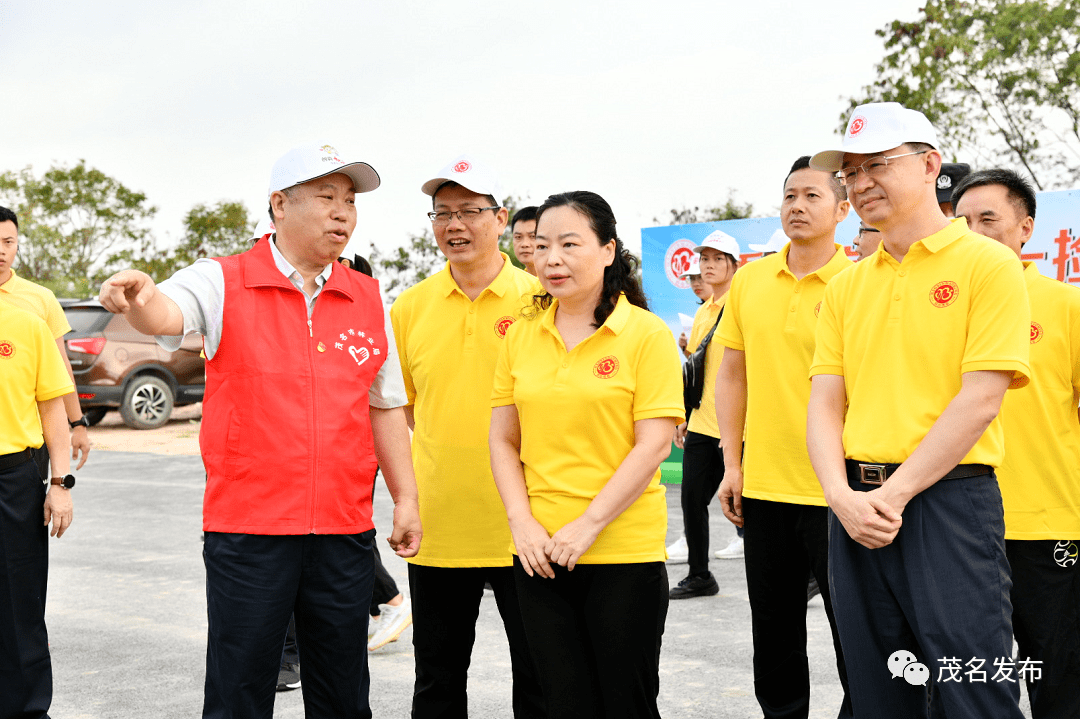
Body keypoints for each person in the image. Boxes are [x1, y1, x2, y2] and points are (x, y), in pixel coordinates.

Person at [98, 142, 422, 719]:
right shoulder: (223, 281)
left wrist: (406, 499)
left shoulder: (367, 297)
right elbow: (166, 314)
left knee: (343, 691)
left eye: (349, 201)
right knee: (240, 689)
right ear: (279, 204)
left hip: (343, 531)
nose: (342, 212)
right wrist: (139, 299)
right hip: (249, 531)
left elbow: (385, 407)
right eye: (326, 197)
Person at [806, 102, 1029, 719]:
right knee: (878, 693)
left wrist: (894, 496)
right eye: (850, 173)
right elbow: (825, 400)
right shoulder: (847, 286)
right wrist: (840, 495)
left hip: (948, 507)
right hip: (856, 508)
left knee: (973, 690)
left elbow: (981, 399)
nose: (861, 183)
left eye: (877, 164)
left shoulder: (988, 265)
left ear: (931, 165)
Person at [489, 190, 683, 719]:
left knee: (626, 702)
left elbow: (654, 444)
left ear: (606, 251)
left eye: (570, 244)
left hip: (622, 550)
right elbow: (503, 439)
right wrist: (522, 524)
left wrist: (590, 523)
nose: (552, 259)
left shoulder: (645, 335)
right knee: (560, 702)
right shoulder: (521, 334)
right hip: (539, 552)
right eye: (542, 245)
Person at [390, 154, 544, 718]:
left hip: (527, 521)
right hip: (441, 521)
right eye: (442, 213)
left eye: (470, 212)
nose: (455, 225)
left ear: (501, 219)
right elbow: (404, 407)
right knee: (437, 676)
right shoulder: (410, 307)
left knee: (539, 674)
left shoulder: (541, 301)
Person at [714, 155, 854, 719]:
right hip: (766, 486)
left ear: (843, 210)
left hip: (840, 491)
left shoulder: (859, 279)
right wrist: (733, 463)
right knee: (773, 630)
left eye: (812, 196)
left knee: (856, 630)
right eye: (789, 196)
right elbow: (731, 376)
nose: (797, 206)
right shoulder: (751, 279)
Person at [953, 168, 1080, 719]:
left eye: (989, 219)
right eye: (961, 221)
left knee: (1057, 678)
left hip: (1048, 525)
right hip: (958, 524)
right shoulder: (943, 308)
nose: (974, 232)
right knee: (967, 677)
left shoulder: (1065, 307)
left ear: (1026, 228)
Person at [0, 299, 75, 719]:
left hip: (13, 478)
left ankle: (27, 710)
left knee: (19, 605)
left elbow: (52, 407)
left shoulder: (26, 324)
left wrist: (61, 483)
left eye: (8, 241)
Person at [669, 230, 742, 599]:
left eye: (717, 259)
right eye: (704, 259)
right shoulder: (702, 311)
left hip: (739, 427)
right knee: (691, 501)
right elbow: (698, 368)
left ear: (735, 264)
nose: (708, 266)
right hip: (702, 423)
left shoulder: (743, 304)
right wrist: (683, 414)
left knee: (750, 507)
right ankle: (699, 574)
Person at [0, 206, 92, 476]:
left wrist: (78, 423)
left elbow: (61, 368)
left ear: (17, 244)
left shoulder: (40, 299)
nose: (2, 250)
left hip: (29, 443)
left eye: (8, 242)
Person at [511, 206, 539, 276]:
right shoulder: (516, 282)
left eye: (532, 236)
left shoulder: (563, 281)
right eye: (518, 237)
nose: (524, 244)